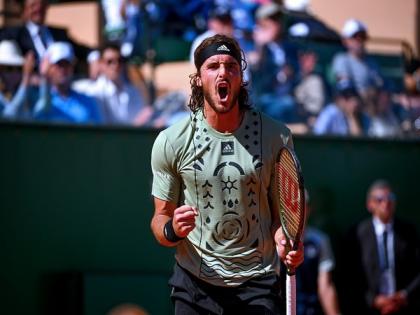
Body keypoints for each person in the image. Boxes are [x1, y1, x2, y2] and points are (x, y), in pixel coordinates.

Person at [150, 34, 304, 314]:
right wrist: (173, 228)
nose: (223, 72)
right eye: (213, 66)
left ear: (240, 78)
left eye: (232, 66)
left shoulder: (277, 136)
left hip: (258, 282)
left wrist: (285, 241)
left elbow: (281, 217)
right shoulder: (171, 141)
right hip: (195, 285)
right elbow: (159, 219)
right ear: (197, 78)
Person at [340, 180, 420, 315]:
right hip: (368, 308)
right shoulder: (357, 234)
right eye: (379, 199)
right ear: (369, 205)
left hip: (403, 305)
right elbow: (349, 276)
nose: (386, 203)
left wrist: (405, 295)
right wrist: (373, 300)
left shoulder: (408, 231)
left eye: (390, 198)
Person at [73, 42, 148, 125]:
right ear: (101, 64)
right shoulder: (92, 91)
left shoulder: (133, 92)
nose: (115, 65)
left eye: (120, 61)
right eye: (109, 61)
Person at [248, 2, 299, 123]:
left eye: (278, 19)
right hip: (263, 98)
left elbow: (296, 71)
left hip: (287, 95)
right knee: (287, 105)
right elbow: (254, 67)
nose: (277, 23)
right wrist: (260, 45)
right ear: (261, 23)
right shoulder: (253, 43)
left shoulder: (288, 46)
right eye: (272, 19)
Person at [0, 0, 92, 65]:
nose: (38, 9)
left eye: (42, 5)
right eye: (33, 5)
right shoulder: (14, 34)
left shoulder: (59, 34)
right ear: (24, 11)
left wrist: (94, 58)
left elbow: (82, 50)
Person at [296, 190, 341, 315]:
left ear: (309, 209)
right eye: (293, 205)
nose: (298, 210)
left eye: (303, 205)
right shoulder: (272, 243)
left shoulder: (320, 241)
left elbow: (325, 286)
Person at [34, 41, 102, 124]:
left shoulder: (88, 101)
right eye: (58, 64)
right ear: (49, 67)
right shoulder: (36, 98)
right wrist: (44, 77)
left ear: (72, 67)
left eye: (67, 64)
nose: (63, 69)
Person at [331, 19, 383, 108]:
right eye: (355, 37)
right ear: (345, 41)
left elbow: (380, 86)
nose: (359, 40)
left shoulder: (372, 62)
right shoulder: (342, 59)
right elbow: (346, 88)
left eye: (362, 36)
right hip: (355, 107)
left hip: (374, 106)